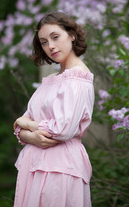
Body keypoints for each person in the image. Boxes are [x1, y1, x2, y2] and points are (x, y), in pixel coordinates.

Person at [13, 11, 94, 207]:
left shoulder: (77, 79)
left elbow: (62, 130)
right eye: (43, 42)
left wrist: (27, 125)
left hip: (59, 169)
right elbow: (20, 126)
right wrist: (28, 135)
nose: (50, 46)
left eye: (55, 37)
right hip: (36, 167)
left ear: (72, 35)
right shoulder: (54, 80)